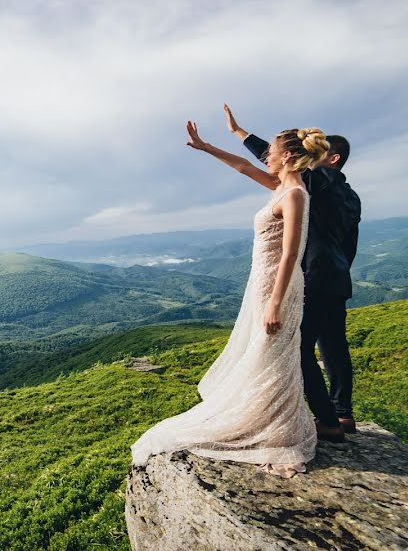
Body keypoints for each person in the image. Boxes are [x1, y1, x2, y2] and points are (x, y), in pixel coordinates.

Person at [129, 122, 330, 478]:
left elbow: (289, 254)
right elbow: (244, 167)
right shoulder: (281, 187)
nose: (266, 155)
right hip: (263, 283)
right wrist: (207, 147)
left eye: (270, 149)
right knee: (266, 355)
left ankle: (278, 432)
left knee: (275, 358)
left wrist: (274, 303)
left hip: (278, 287)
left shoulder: (296, 194)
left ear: (287, 156)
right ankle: (274, 424)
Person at [223, 104, 360, 436]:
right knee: (334, 347)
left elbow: (277, 165)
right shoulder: (351, 197)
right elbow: (349, 243)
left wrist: (242, 136)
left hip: (312, 276)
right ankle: (343, 415)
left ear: (333, 159)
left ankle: (327, 421)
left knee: (298, 349)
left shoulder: (314, 183)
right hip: (337, 278)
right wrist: (240, 133)